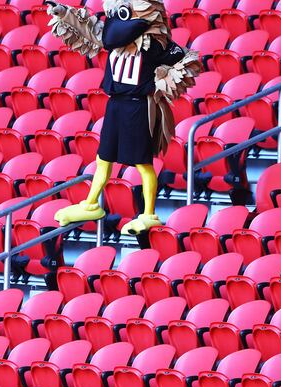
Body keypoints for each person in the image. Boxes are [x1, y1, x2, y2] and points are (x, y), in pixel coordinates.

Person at [48, 0, 202, 234]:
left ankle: (148, 214)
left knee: (142, 163)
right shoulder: (113, 43)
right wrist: (63, 12)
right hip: (115, 104)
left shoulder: (154, 47)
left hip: (138, 107)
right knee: (103, 158)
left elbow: (186, 59)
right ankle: (91, 204)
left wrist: (167, 81)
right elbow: (90, 29)